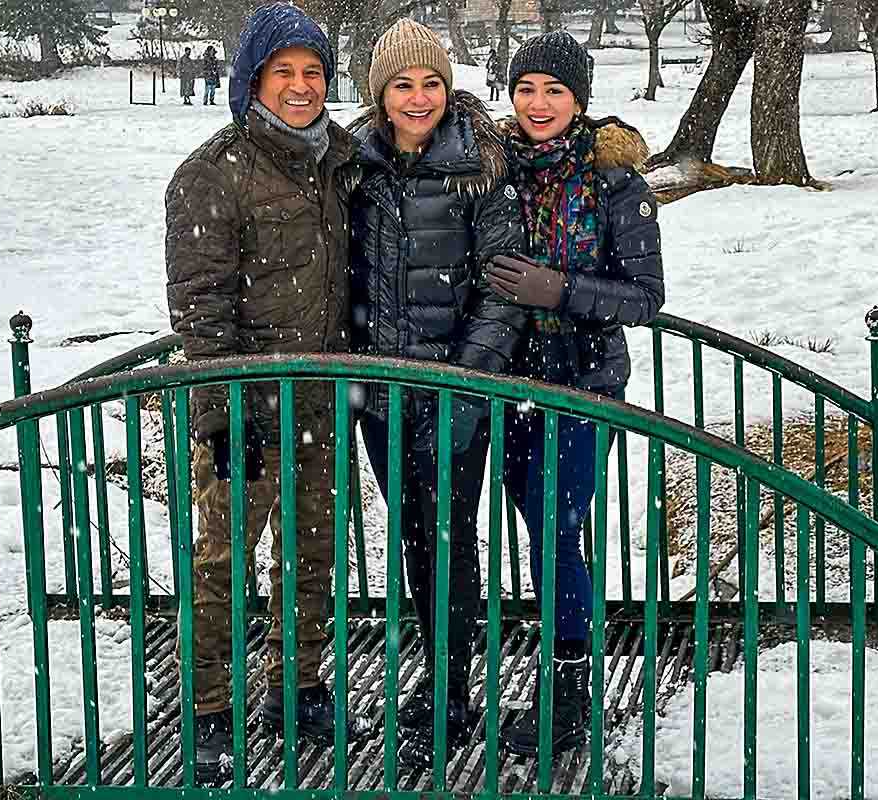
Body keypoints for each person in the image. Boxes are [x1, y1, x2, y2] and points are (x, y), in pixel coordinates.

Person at [163, 2, 364, 783]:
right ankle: (208, 704)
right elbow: (201, 304)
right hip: (244, 404)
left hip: (323, 398)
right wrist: (220, 412)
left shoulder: (341, 160)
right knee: (223, 560)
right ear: (252, 81)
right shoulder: (212, 174)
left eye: (313, 72)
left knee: (314, 553)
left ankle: (299, 685)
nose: (301, 86)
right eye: (283, 72)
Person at [348, 18, 527, 768]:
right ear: (379, 93)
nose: (418, 98)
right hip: (380, 397)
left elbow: (505, 287)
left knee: (447, 534)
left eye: (430, 83)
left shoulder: (480, 166)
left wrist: (465, 383)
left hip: (455, 390)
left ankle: (451, 688)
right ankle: (434, 666)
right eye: (402, 85)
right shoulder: (352, 166)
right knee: (415, 535)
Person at [486, 30, 664, 759]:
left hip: (585, 382)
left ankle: (568, 683)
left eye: (554, 90)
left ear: (580, 100)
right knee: (535, 521)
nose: (538, 103)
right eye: (526, 88)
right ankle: (556, 646)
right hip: (506, 378)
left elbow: (646, 296)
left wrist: (560, 289)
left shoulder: (614, 182)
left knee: (557, 528)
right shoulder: (493, 169)